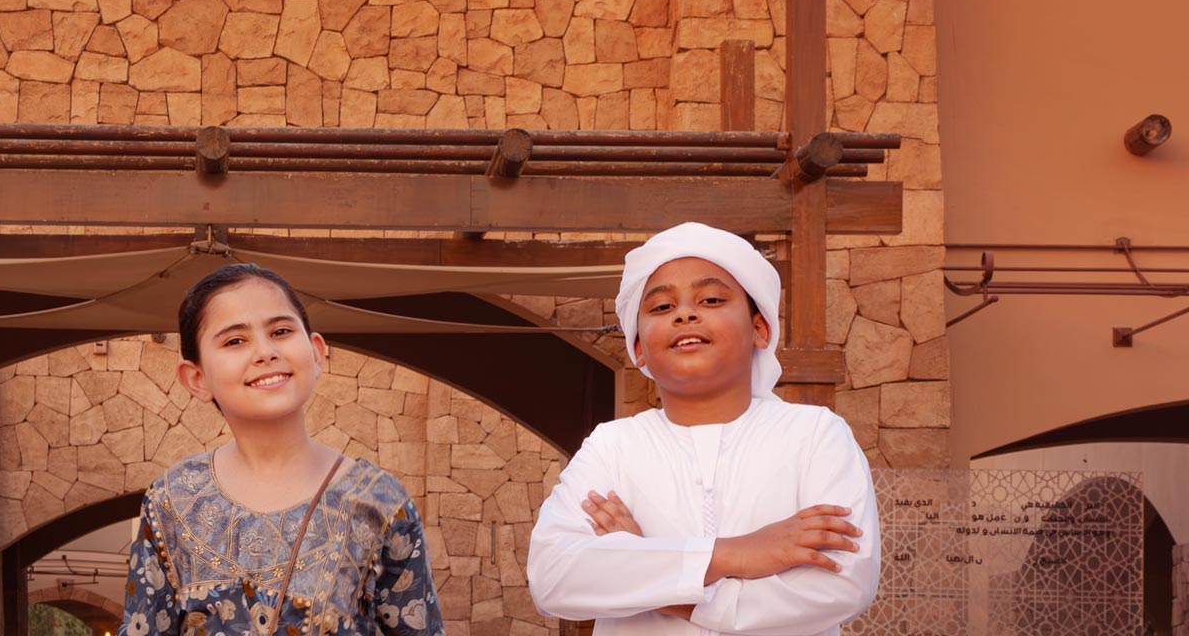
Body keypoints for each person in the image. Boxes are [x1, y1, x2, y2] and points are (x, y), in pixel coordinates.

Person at [526, 222, 879, 634]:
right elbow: (553, 575)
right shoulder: (612, 446)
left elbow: (841, 584)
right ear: (638, 347)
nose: (685, 314)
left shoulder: (815, 435)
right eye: (661, 308)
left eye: (711, 299)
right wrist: (736, 554)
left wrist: (650, 569)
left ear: (760, 329)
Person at [120, 263, 445, 635]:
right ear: (197, 379)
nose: (266, 351)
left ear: (317, 352)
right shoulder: (172, 501)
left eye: (281, 331)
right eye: (234, 341)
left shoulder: (380, 502)